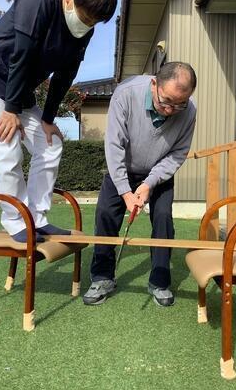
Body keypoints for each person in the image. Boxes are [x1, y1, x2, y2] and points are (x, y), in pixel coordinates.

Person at [0, 0, 117, 242]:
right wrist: (9, 110)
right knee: (6, 144)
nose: (87, 25)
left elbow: (66, 74)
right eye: (86, 17)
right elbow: (22, 56)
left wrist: (48, 118)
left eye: (94, 22)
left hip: (17, 91)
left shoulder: (84, 32)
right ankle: (15, 220)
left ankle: (38, 218)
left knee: (51, 144)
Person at [83, 62, 197, 307]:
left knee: (163, 217)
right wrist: (125, 191)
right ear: (154, 83)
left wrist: (149, 184)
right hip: (122, 167)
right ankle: (102, 277)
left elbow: (178, 153)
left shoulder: (189, 111)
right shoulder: (126, 94)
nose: (170, 110)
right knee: (105, 214)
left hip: (158, 173)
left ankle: (160, 280)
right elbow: (114, 146)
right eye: (166, 101)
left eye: (179, 104)